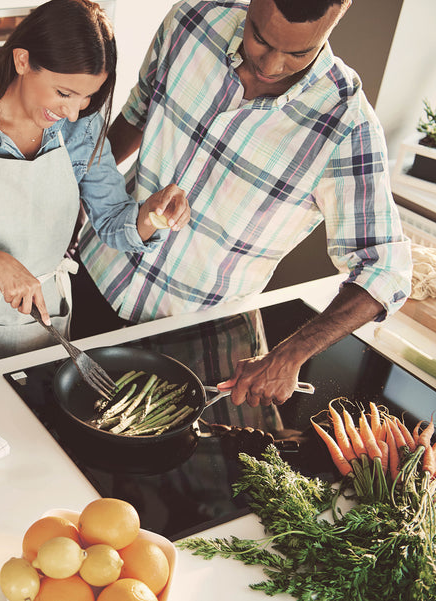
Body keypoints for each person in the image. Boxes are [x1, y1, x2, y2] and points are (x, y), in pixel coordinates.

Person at [72, 0, 412, 406]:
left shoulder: (346, 124)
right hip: (93, 274)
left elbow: (385, 268)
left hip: (196, 339)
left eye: (298, 53)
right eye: (260, 38)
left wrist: (290, 355)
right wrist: (67, 199)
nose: (271, 65)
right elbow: (133, 117)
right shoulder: (191, 22)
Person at [0, 0, 191, 374]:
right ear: (23, 61)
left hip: (43, 326)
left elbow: (112, 221)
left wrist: (152, 215)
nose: (74, 112)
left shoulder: (82, 127)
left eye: (87, 97)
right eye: (63, 93)